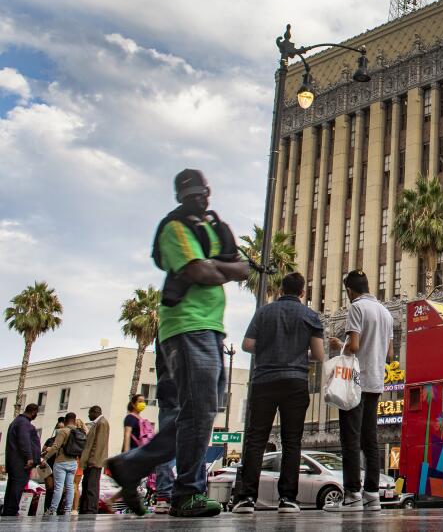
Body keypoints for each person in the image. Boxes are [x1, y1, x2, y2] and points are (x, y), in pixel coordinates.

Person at [108, 168, 249, 518]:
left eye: (201, 192)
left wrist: (214, 266)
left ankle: (133, 467)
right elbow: (200, 272)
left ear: (208, 191)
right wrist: (221, 268)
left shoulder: (214, 228)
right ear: (180, 198)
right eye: (190, 195)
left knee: (197, 413)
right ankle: (186, 492)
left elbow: (242, 269)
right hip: (185, 325)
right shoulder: (173, 229)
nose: (198, 199)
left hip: (212, 327)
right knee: (196, 412)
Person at [231, 272, 325, 515]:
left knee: (256, 439)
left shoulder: (263, 312)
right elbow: (318, 355)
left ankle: (246, 498)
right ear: (302, 292)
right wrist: (295, 354)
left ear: (281, 290)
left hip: (264, 380)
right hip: (295, 381)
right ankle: (288, 499)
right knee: (292, 441)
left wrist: (271, 350)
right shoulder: (310, 316)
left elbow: (247, 345)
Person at [326, 269, 394, 513]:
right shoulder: (386, 313)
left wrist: (338, 345)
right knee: (370, 440)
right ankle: (372, 495)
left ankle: (352, 494)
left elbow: (353, 346)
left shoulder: (356, 308)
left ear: (349, 291)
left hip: (354, 382)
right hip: (375, 382)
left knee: (350, 440)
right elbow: (390, 355)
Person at [42, 412, 85, 515]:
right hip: (73, 462)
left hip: (61, 462)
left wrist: (46, 458)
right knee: (70, 486)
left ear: (65, 421)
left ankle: (52, 510)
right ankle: (67, 510)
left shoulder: (63, 431)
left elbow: (55, 446)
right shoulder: (79, 432)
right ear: (74, 421)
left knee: (59, 487)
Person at [3, 404, 42, 516]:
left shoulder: (17, 421)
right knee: (17, 487)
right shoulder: (24, 423)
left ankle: (8, 511)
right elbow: (24, 441)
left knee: (12, 487)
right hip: (21, 463)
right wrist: (29, 458)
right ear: (34, 412)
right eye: (36, 413)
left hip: (14, 462)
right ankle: (11, 511)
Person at [78, 406, 109, 514]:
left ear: (95, 412)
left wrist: (92, 460)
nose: (88, 415)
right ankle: (85, 508)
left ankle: (90, 509)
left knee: (92, 486)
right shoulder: (98, 423)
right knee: (87, 485)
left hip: (94, 461)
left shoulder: (102, 423)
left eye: (89, 413)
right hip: (91, 461)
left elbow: (98, 444)